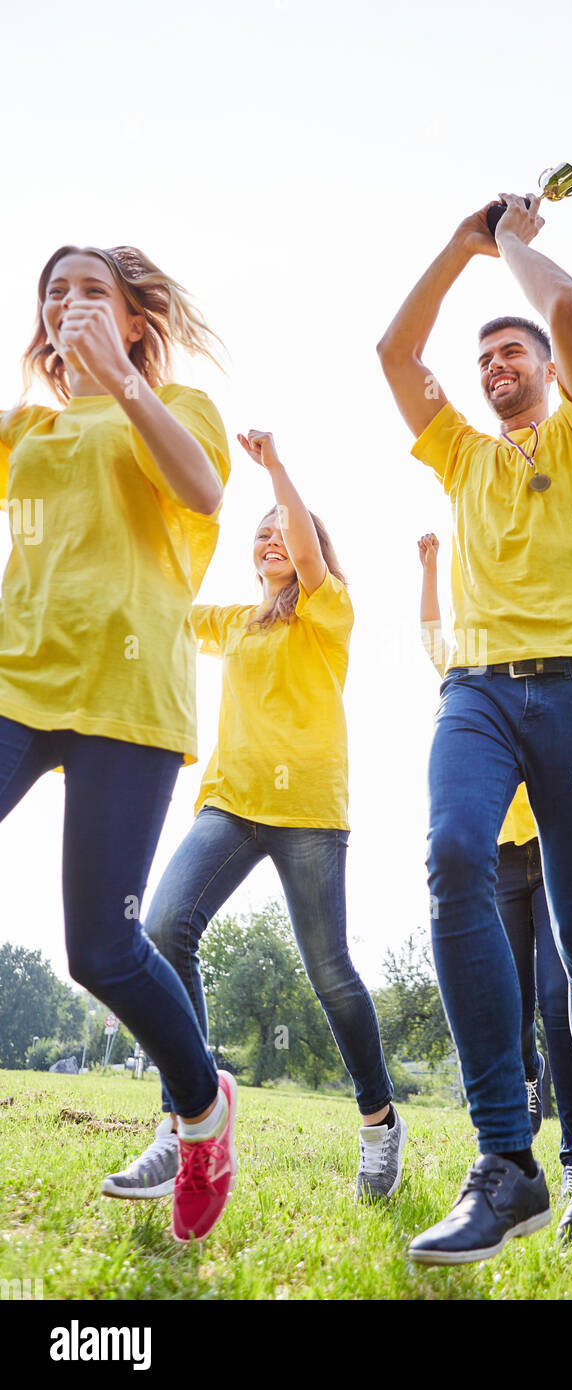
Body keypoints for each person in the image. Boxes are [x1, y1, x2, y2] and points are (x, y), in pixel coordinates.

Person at [378, 191, 572, 1265]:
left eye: (508, 352)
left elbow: (569, 310)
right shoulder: (458, 456)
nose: (493, 367)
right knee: (449, 856)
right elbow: (394, 351)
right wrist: (459, 246)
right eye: (481, 358)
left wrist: (516, 248)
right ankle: (504, 1159)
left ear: (541, 368)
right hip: (476, 689)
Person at [102, 429, 406, 1206]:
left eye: (285, 529)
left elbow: (307, 553)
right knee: (165, 926)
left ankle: (379, 1125)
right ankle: (188, 1118)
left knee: (330, 973)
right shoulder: (237, 620)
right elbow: (159, 600)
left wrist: (276, 470)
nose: (271, 537)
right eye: (260, 530)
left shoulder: (326, 610)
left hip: (307, 809)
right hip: (231, 803)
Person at [0, 244, 236, 1242]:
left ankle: (201, 1111)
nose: (67, 303)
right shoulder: (25, 429)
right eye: (53, 292)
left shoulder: (178, 409)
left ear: (136, 319)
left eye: (90, 289)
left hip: (127, 697)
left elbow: (202, 494)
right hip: (16, 680)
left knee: (99, 948)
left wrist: (125, 380)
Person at [417, 532, 572, 1197]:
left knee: (556, 996)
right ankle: (523, 1082)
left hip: (552, 851)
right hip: (499, 858)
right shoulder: (469, 677)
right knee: (510, 1004)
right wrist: (431, 567)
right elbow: (434, 636)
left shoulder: (552, 662)